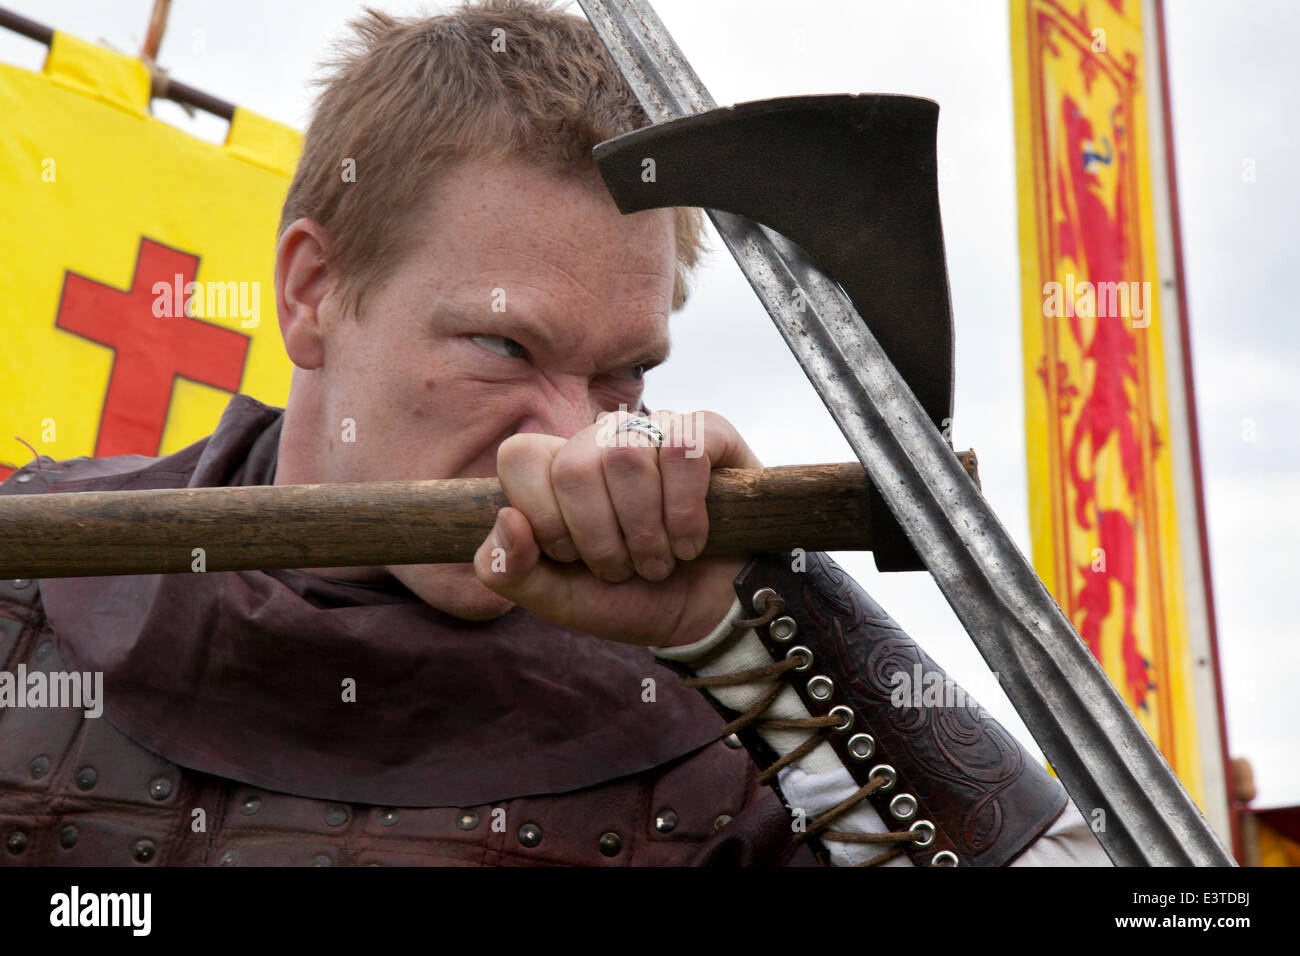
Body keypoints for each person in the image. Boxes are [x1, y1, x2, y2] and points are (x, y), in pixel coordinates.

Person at [0, 0, 1108, 866]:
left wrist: (773, 616)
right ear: (311, 293)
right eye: (504, 348)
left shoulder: (734, 723)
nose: (572, 438)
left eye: (625, 373)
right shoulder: (28, 583)